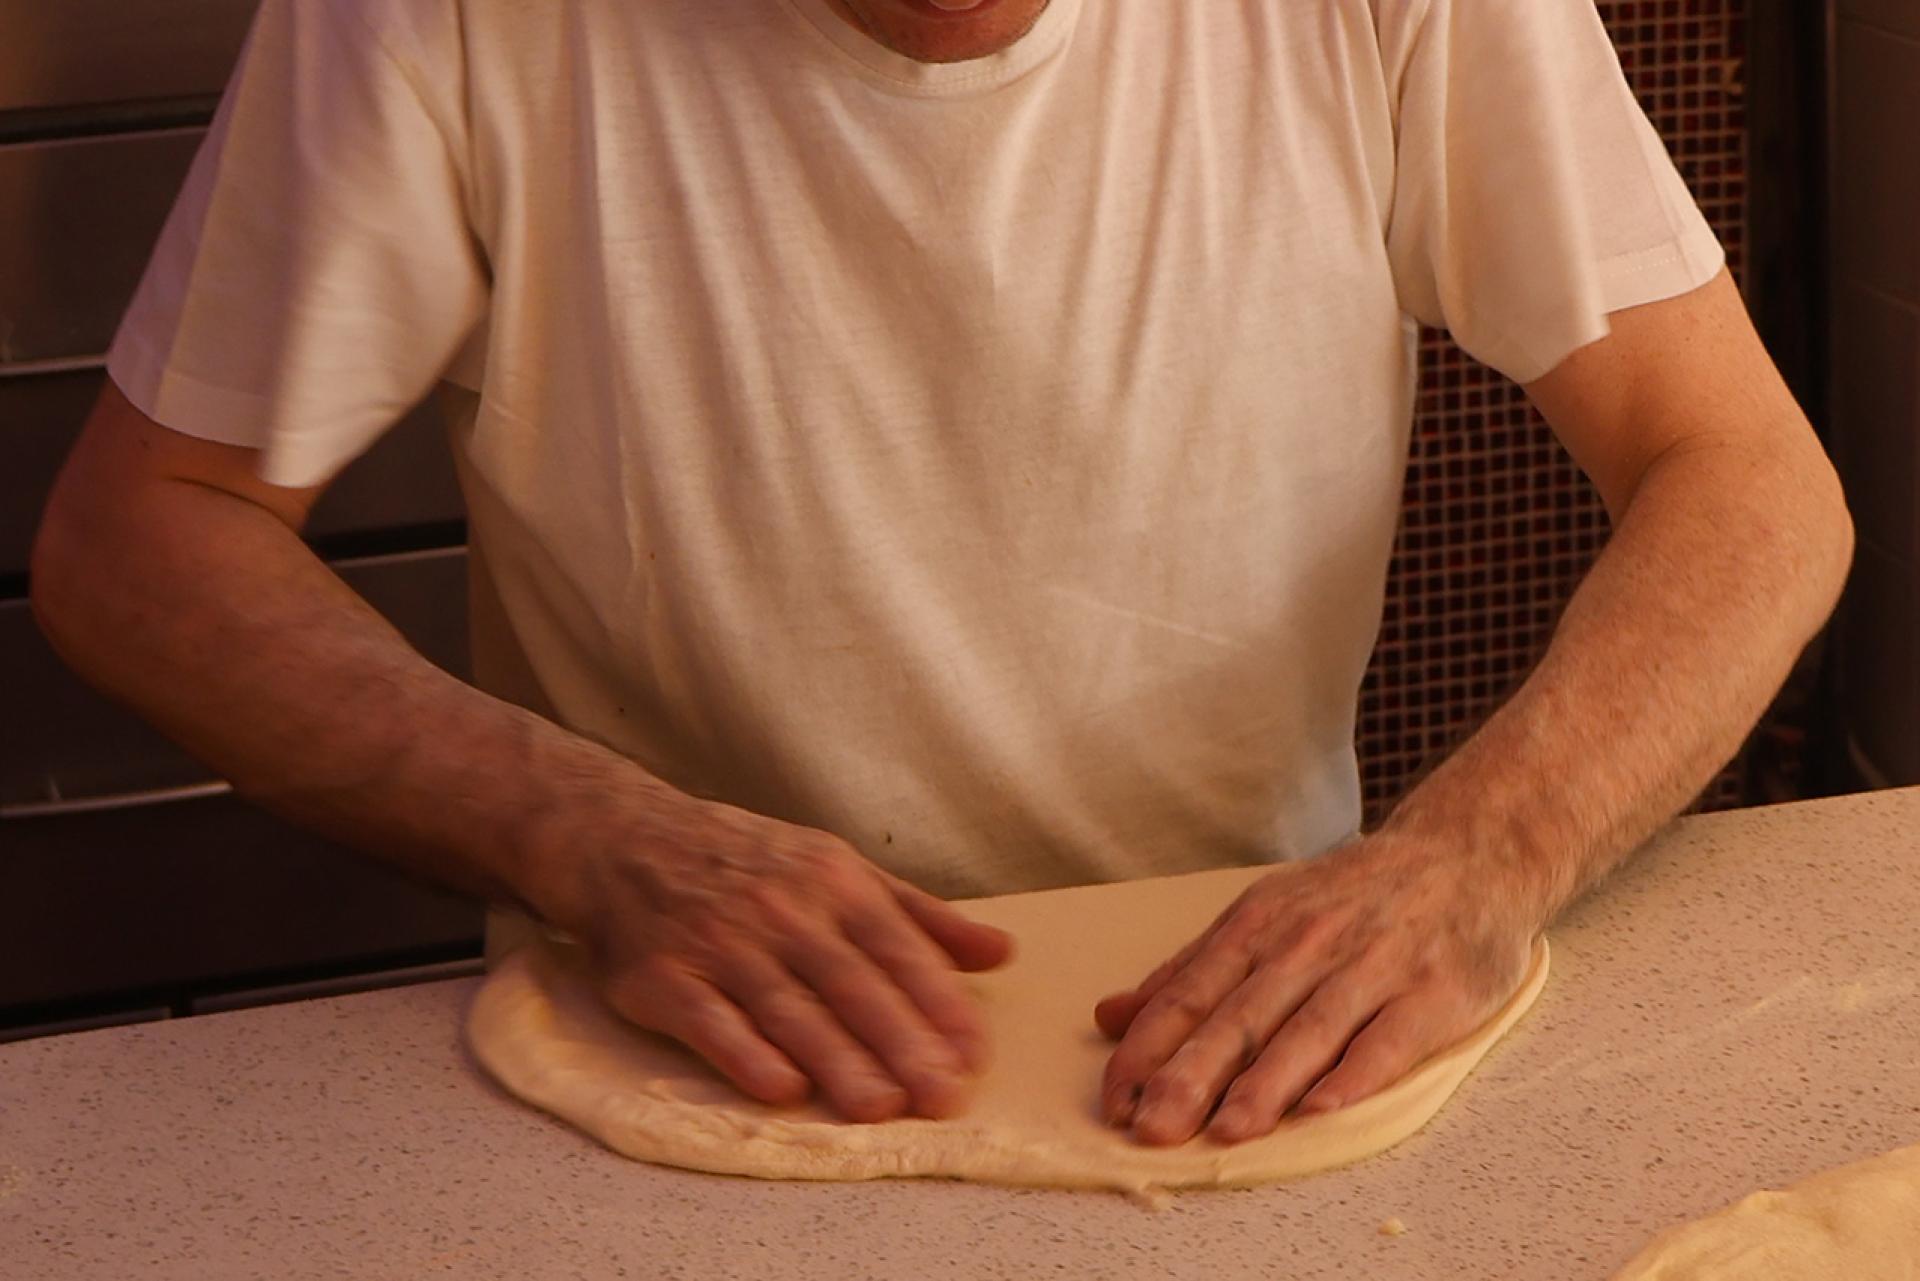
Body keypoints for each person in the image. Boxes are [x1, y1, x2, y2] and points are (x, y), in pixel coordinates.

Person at [30, 0, 1851, 1149]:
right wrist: (590, 830)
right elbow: (137, 542)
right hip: (691, 1068)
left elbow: (1749, 481)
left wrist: (1477, 859)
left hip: (1246, 1054)